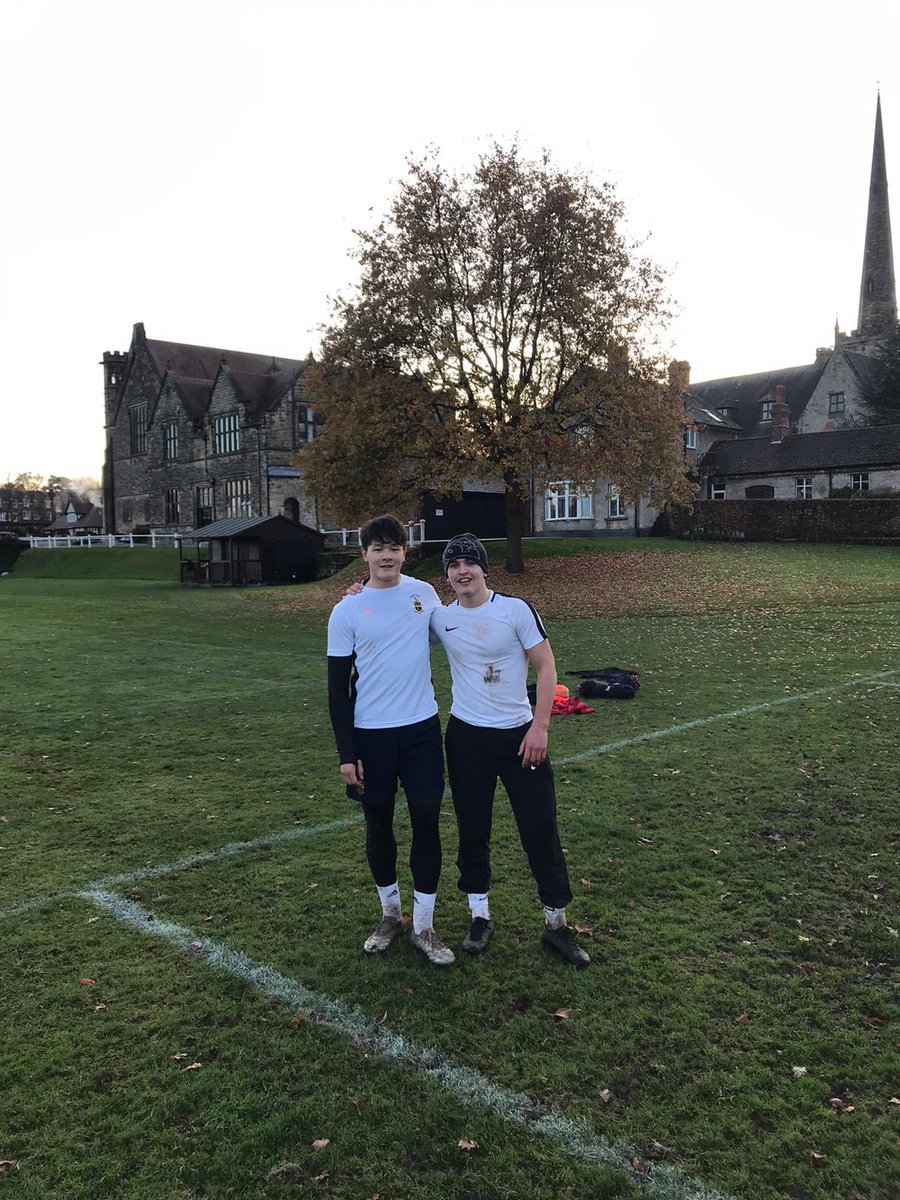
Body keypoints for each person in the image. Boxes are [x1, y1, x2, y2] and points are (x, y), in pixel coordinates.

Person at [431, 533, 590, 968]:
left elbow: (546, 665)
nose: (462, 570)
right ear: (447, 575)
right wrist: (358, 590)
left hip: (521, 736)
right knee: (473, 828)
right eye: (454, 564)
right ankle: (479, 916)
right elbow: (395, 618)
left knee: (540, 827)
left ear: (484, 569)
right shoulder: (440, 619)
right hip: (466, 738)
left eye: (470, 562)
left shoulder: (515, 609)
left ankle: (556, 923)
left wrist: (540, 727)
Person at [326, 514, 454, 965]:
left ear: (405, 551)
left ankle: (424, 925)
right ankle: (389, 915)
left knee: (425, 821)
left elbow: (452, 630)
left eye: (394, 547)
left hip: (420, 730)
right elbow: (337, 690)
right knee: (377, 825)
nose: (386, 555)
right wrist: (347, 753)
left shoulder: (423, 594)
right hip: (370, 738)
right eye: (377, 548)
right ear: (363, 554)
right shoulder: (346, 610)